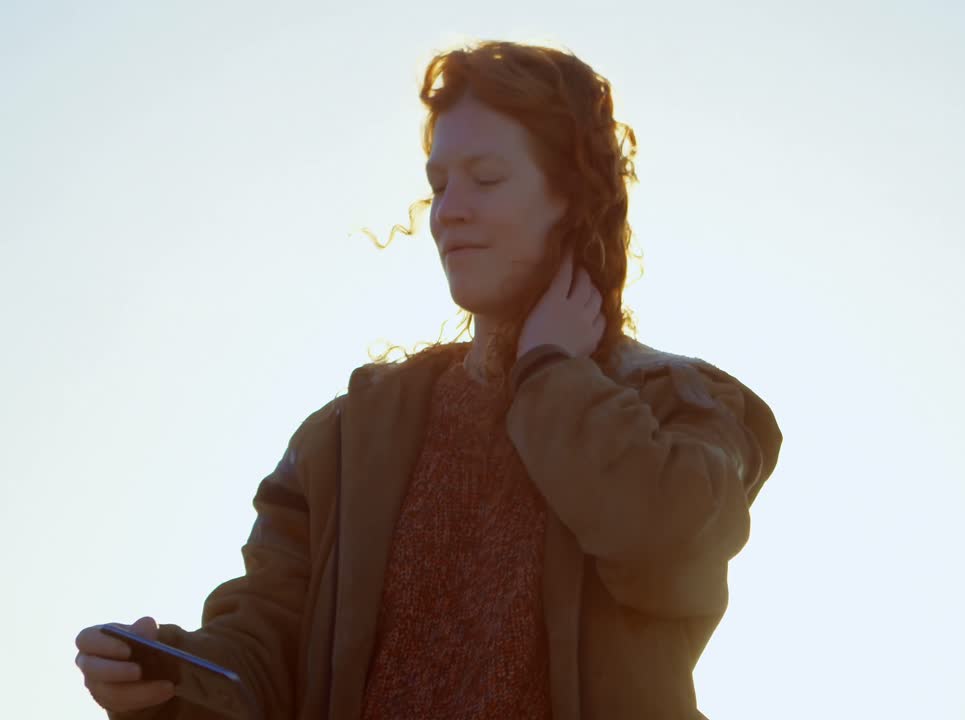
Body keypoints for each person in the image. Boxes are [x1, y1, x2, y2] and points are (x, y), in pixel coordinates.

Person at [74, 39, 783, 720]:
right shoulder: (347, 437)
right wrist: (173, 685)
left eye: (487, 178)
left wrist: (551, 376)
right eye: (439, 185)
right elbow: (267, 643)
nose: (450, 211)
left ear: (570, 195)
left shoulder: (685, 404)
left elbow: (667, 546)